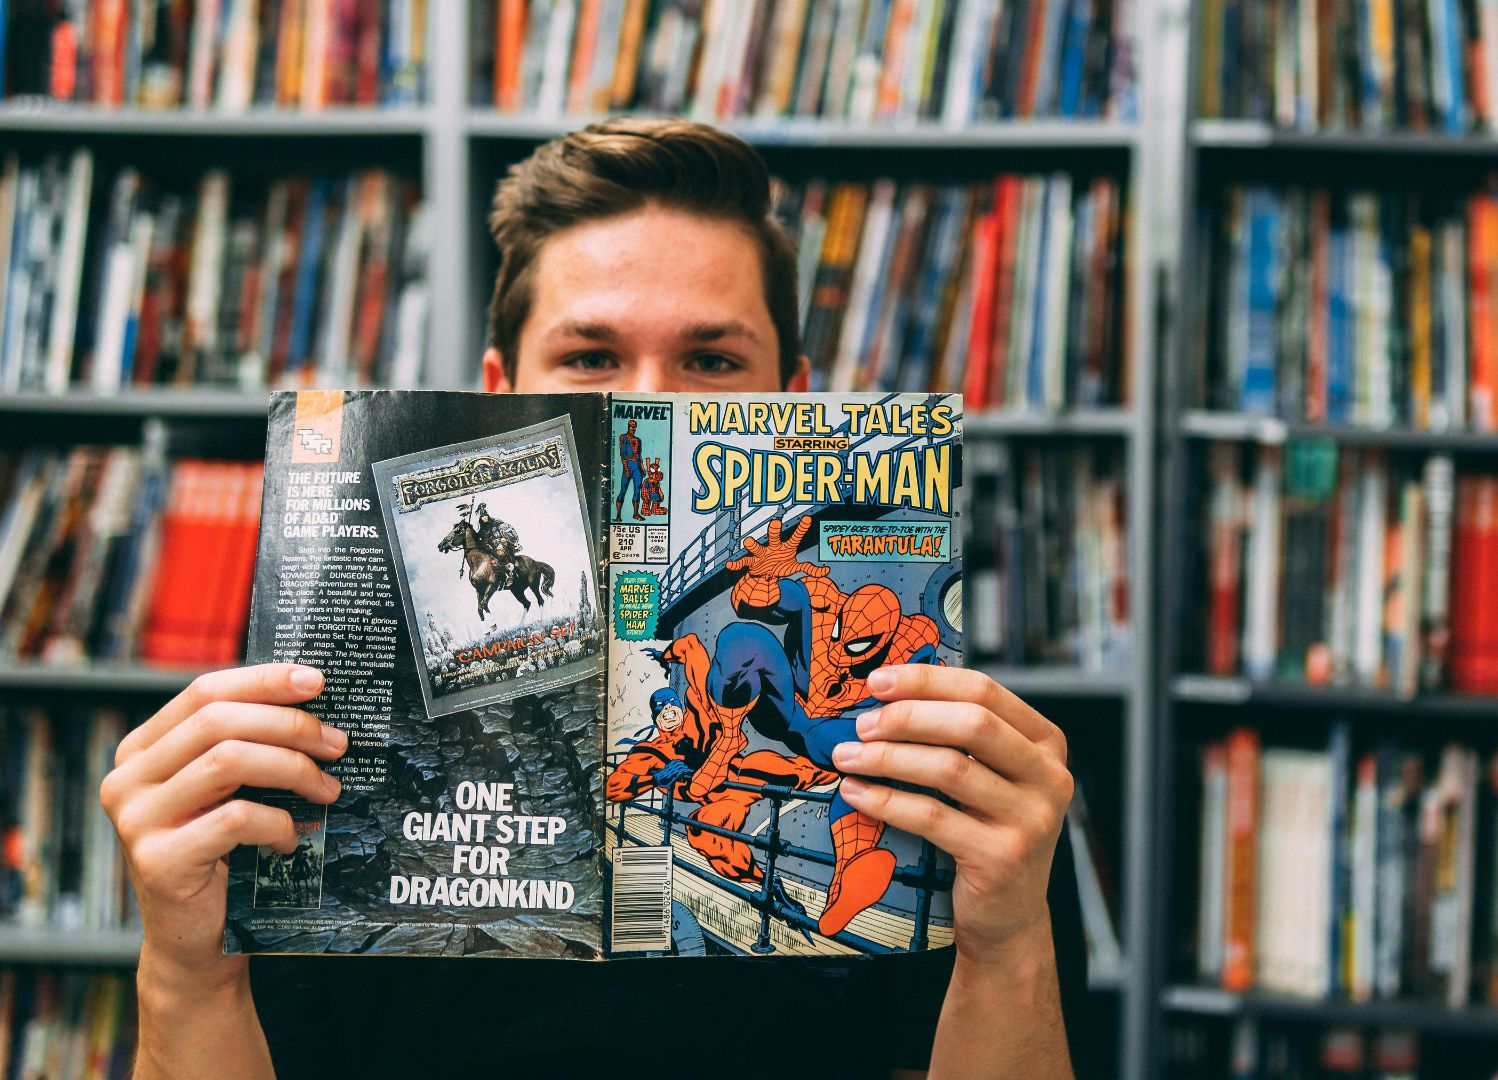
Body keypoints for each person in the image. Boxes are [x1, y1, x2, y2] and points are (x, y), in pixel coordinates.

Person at [100, 118, 1082, 1079]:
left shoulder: (950, 768)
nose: (643, 405)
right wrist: (187, 976)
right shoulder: (310, 749)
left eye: (711, 362)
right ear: (496, 396)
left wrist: (1010, 951)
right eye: (589, 359)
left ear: (794, 402)